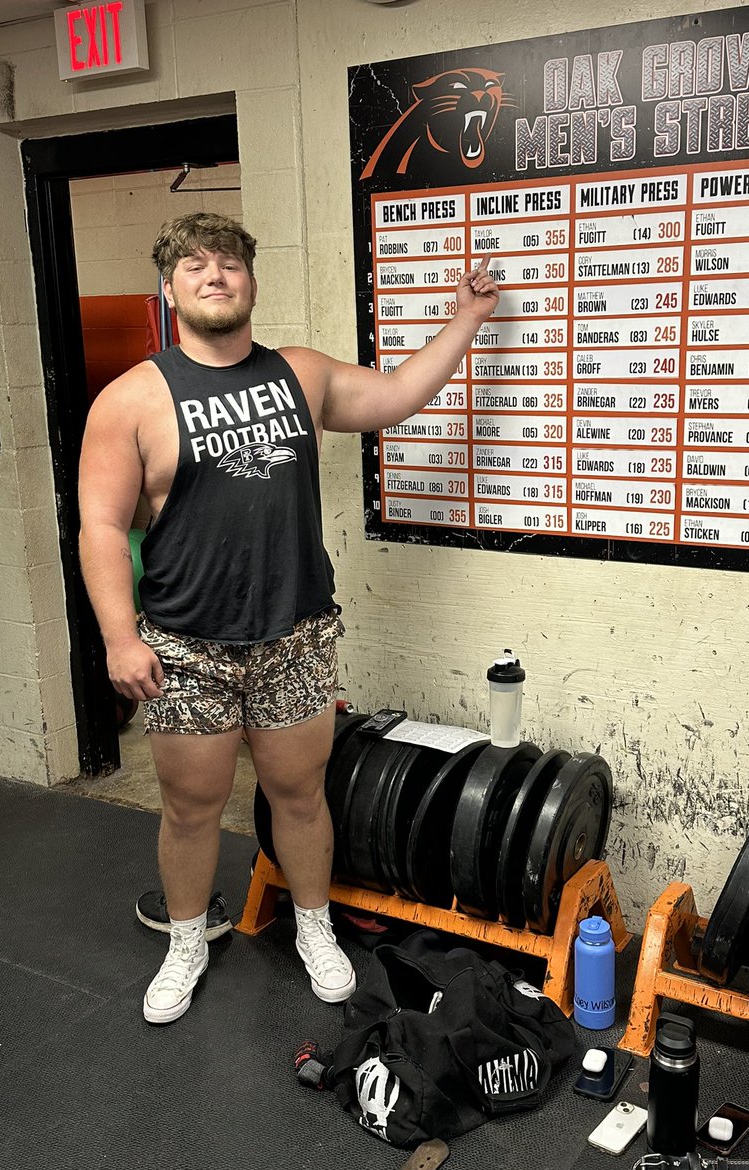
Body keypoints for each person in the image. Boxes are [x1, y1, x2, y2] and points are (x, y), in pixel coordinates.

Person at [78, 212, 499, 1025]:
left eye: (229, 262)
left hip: (295, 632)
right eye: (194, 266)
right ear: (170, 291)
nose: (214, 275)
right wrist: (119, 637)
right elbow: (99, 525)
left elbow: (397, 397)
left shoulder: (299, 375)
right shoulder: (130, 399)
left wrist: (466, 321)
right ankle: (186, 941)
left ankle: (313, 928)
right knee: (192, 806)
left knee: (300, 794)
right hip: (185, 644)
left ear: (251, 282)